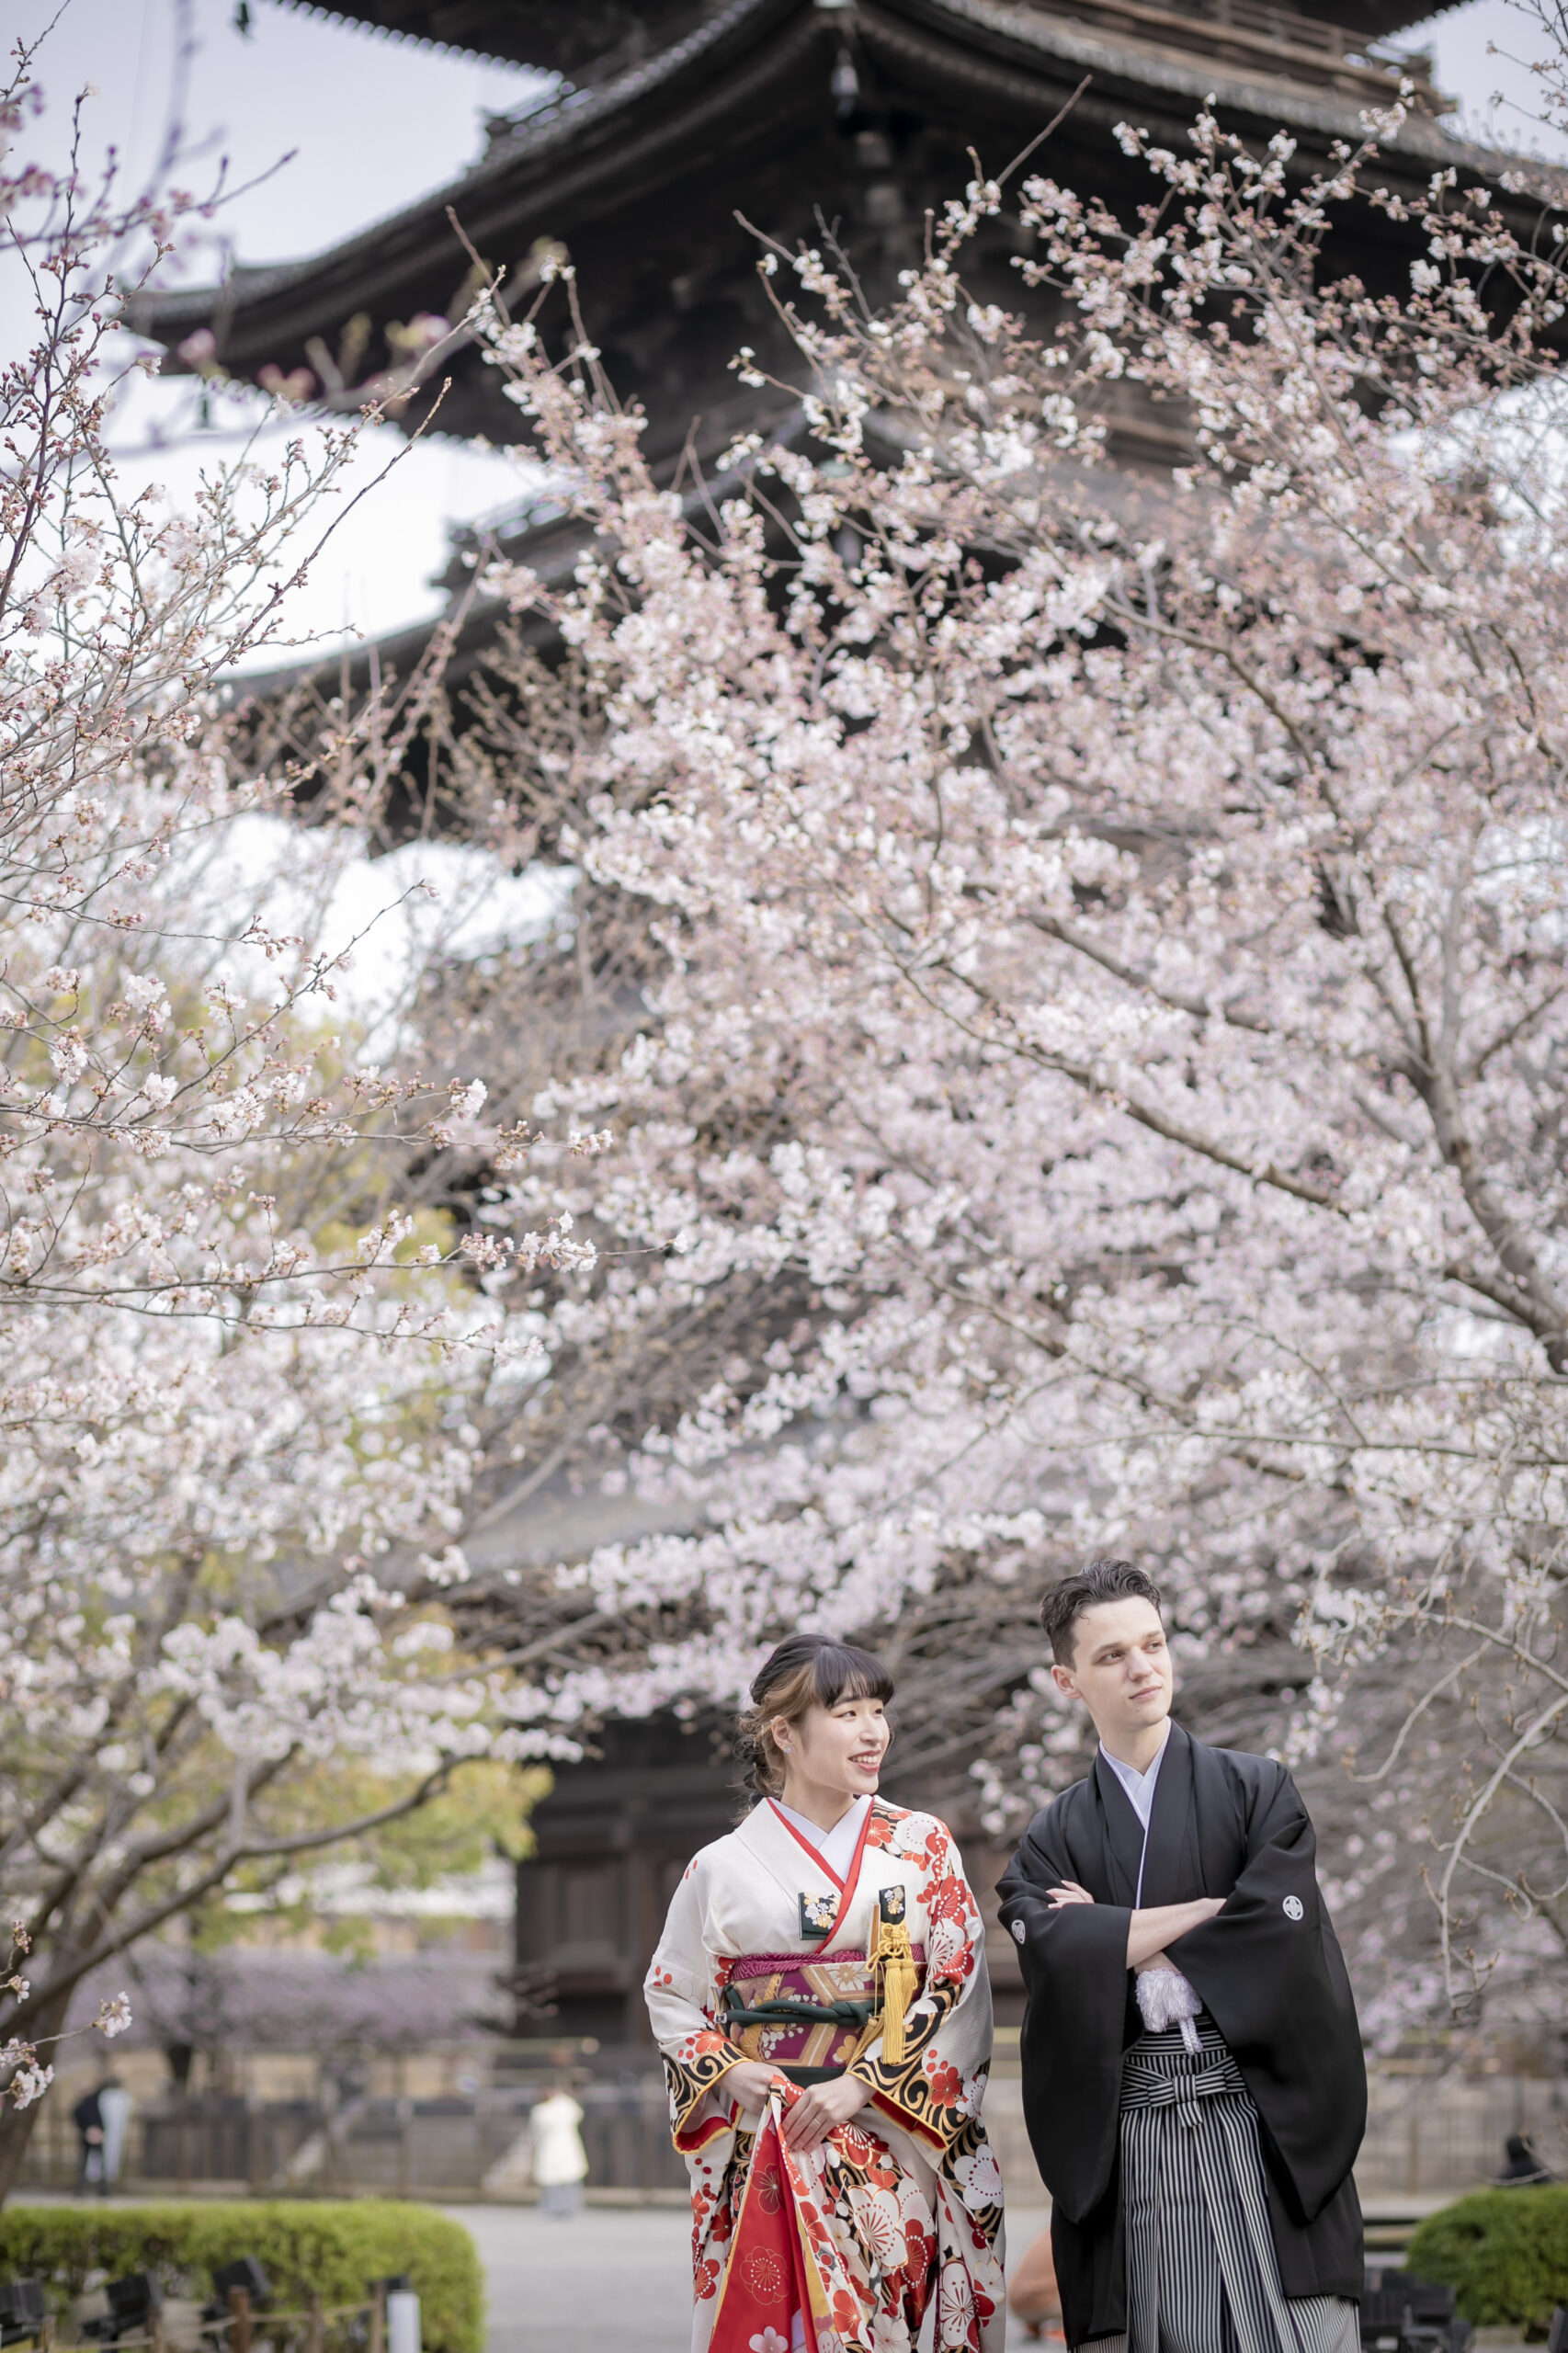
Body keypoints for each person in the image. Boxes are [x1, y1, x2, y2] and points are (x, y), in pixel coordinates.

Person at [998, 1560, 1366, 2353]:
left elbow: (1278, 1932)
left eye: (1153, 1644)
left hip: (1255, 2116)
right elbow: (1055, 1958)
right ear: (1068, 1680)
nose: (1142, 1669)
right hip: (1135, 2132)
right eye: (1112, 1656)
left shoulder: (1258, 1790)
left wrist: (1113, 1932)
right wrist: (1213, 1909)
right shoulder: (1049, 1838)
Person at [644, 1633, 1006, 2353]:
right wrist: (731, 2069)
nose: (874, 1732)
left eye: (879, 1710)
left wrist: (862, 2085)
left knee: (885, 2324)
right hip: (769, 2135)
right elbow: (670, 1991)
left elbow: (956, 1976)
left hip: (887, 2133)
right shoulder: (720, 1866)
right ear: (785, 1731)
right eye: (848, 1714)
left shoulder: (922, 1844)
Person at [529, 2073, 589, 2217]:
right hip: (550, 2147)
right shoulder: (550, 2108)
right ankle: (555, 2208)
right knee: (554, 2181)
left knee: (568, 2179)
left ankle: (568, 2207)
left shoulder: (563, 2105)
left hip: (565, 2146)